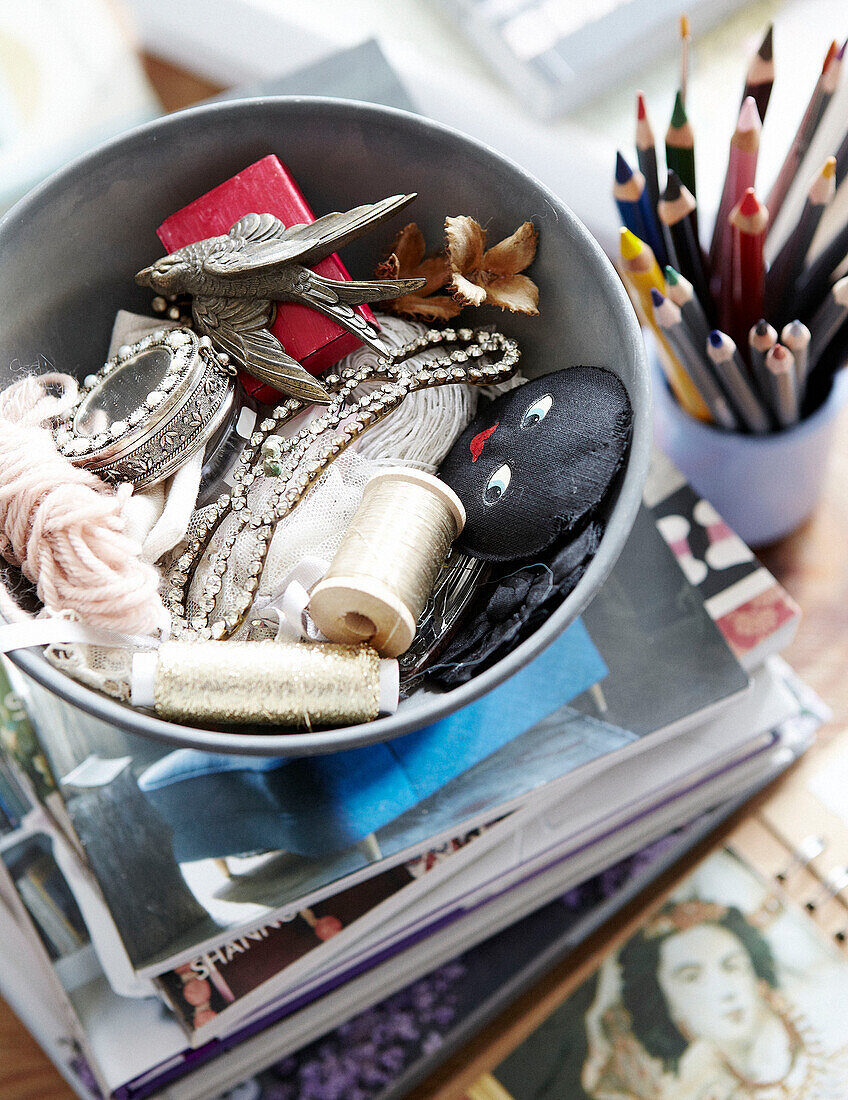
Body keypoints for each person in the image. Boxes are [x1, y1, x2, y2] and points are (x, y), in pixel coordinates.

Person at [581, 898, 846, 1099]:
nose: (725, 991)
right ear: (668, 1006)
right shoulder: (694, 1083)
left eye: (732, 966)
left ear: (758, 980)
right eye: (692, 977)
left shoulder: (830, 1013)